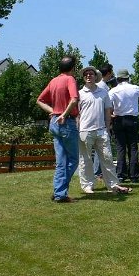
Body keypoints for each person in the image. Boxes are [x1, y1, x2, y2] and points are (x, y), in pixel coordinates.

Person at [77, 66, 131, 194]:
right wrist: (78, 129)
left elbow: (108, 111)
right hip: (84, 131)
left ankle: (113, 185)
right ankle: (87, 186)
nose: (88, 76)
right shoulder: (79, 94)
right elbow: (77, 114)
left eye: (91, 74)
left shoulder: (103, 92)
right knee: (85, 160)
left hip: (101, 130)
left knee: (107, 159)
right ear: (84, 77)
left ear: (96, 77)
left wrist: (107, 128)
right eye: (86, 74)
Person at [36, 56, 80, 203]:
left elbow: (39, 100)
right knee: (73, 159)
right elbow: (74, 99)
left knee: (61, 161)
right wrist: (64, 114)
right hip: (66, 122)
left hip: (54, 123)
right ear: (72, 68)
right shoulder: (70, 79)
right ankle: (60, 192)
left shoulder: (53, 81)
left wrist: (54, 112)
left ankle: (58, 192)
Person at [108, 69, 139, 183]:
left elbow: (108, 105)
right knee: (133, 147)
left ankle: (121, 175)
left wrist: (110, 115)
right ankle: (134, 175)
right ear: (128, 78)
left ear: (118, 79)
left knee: (120, 148)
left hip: (118, 119)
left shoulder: (113, 90)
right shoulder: (134, 88)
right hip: (132, 120)